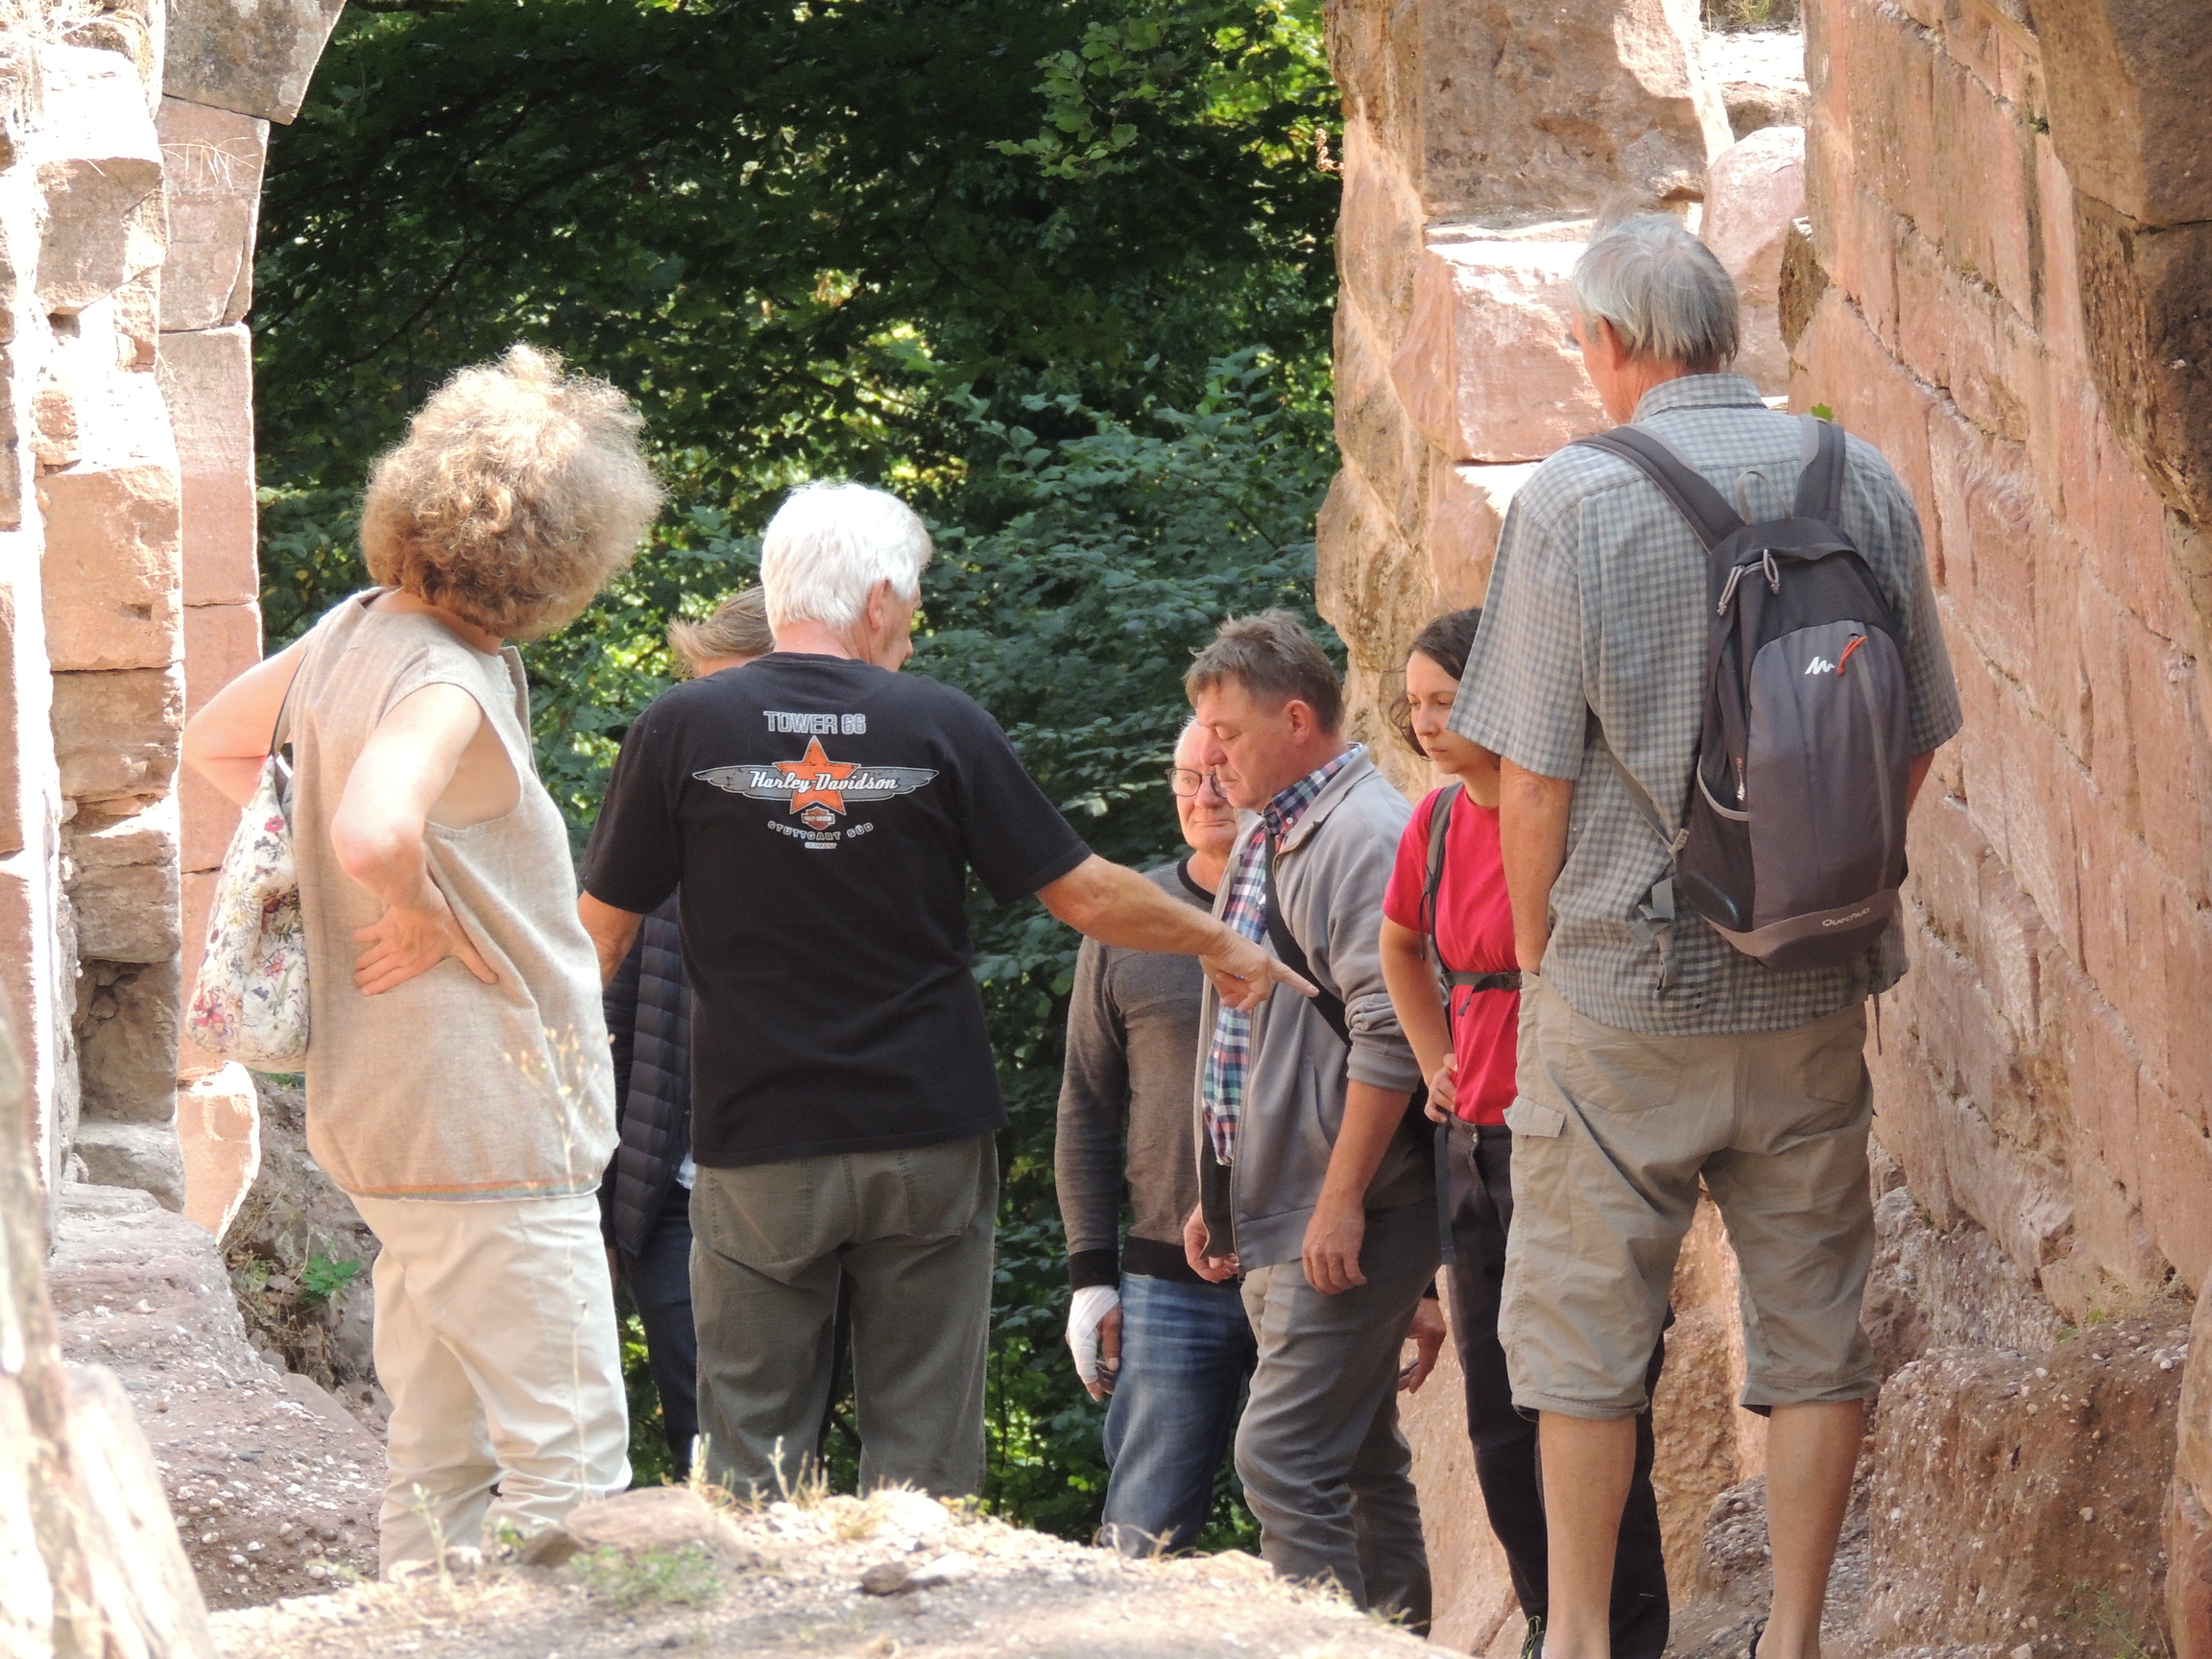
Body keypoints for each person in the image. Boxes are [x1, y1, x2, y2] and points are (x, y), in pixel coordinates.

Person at [575, 481, 1312, 1503]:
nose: (913, 631)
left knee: (750, 1453)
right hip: (925, 1135)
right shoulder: (940, 722)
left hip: (756, 1140)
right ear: (877, 598)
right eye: (912, 603)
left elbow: (596, 943)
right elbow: (1087, 895)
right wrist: (1224, 943)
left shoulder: (680, 727)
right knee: (922, 1459)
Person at [1448, 214, 1960, 1659]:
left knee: (1583, 1341)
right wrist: (1825, 883)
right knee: (1815, 1329)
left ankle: (1580, 1638)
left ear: (1611, 343)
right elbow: (1918, 732)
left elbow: (1531, 781)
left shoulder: (1573, 501)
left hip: (1626, 994)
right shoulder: (1857, 476)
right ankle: (1793, 1638)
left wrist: (1539, 960)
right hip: (1811, 986)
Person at [181, 345, 663, 1573]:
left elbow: (219, 744)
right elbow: (372, 828)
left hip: (392, 1123)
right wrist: (415, 908)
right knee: (571, 1462)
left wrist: (354, 884)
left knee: (436, 1456)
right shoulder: (449, 676)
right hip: (489, 1122)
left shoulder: (351, 633)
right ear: (565, 552)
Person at [1377, 609, 1668, 1659]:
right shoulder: (1435, 823)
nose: (1425, 723)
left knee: (1589, 1396)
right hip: (1473, 1145)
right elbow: (1400, 947)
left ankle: (1624, 1633)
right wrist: (1434, 1061)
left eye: (1446, 702)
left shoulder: (1571, 811)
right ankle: (1550, 1619)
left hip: (1571, 1137)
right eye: (1415, 705)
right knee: (1498, 1416)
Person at [1178, 610, 1446, 1625]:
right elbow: (1249, 1033)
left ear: (1296, 720)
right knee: (1359, 1457)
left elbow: (1390, 1037)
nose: (1210, 760)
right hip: (1285, 1204)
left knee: (1282, 1458)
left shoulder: (1362, 834)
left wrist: (1340, 1204)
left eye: (1227, 734)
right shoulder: (1271, 829)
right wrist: (1220, 1186)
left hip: (1348, 1208)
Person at [1055, 720, 1256, 1556]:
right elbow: (1086, 1105)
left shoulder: (1317, 899)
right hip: (1166, 1280)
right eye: (1186, 777)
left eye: (1222, 772)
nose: (1204, 795)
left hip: (1310, 1266)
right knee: (1142, 1530)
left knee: (1328, 1508)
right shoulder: (1128, 919)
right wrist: (1090, 1278)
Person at [599, 586, 776, 1477]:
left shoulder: (843, 830)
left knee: (779, 1435)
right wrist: (602, 1203)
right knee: (702, 1435)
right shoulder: (659, 814)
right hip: (669, 1193)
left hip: (794, 1187)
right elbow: (609, 1014)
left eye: (723, 693)